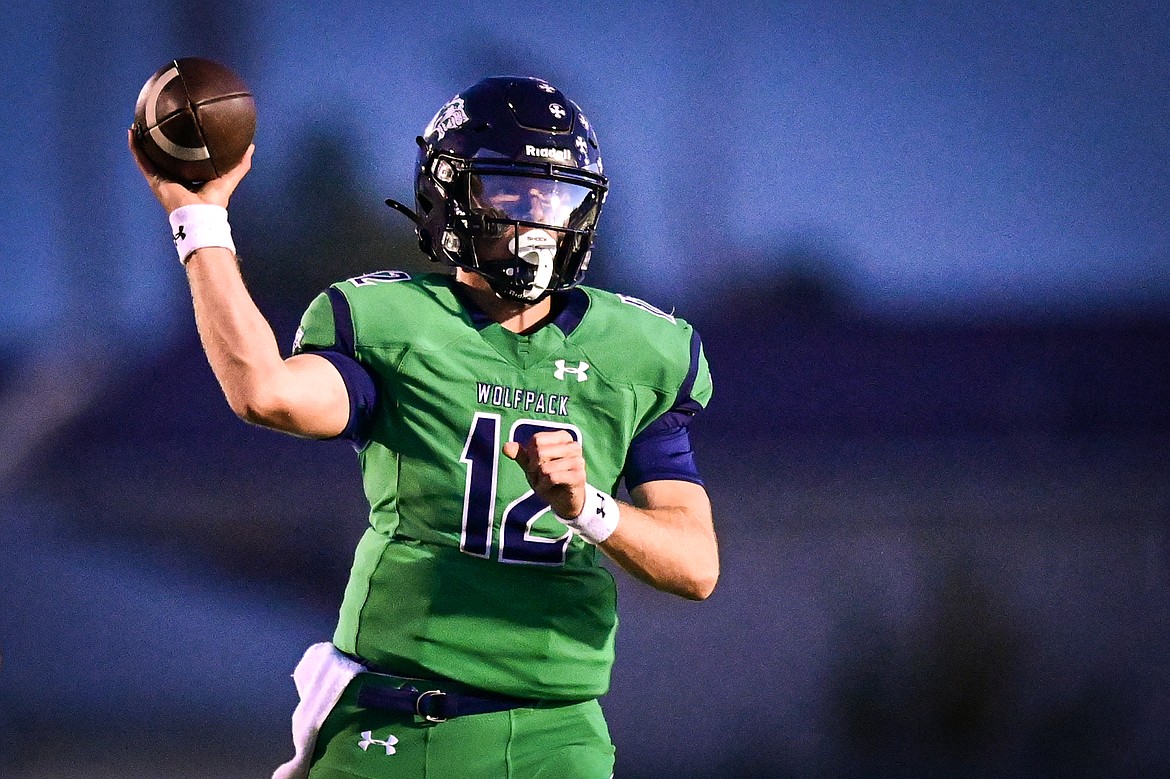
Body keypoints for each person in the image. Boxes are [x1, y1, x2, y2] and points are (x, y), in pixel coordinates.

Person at [130, 75, 718, 778]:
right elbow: (264, 391)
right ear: (452, 195)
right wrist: (202, 222)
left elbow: (696, 565)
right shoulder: (395, 324)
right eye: (511, 191)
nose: (536, 219)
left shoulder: (638, 352)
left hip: (552, 735)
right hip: (390, 716)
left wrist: (589, 506)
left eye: (555, 197)